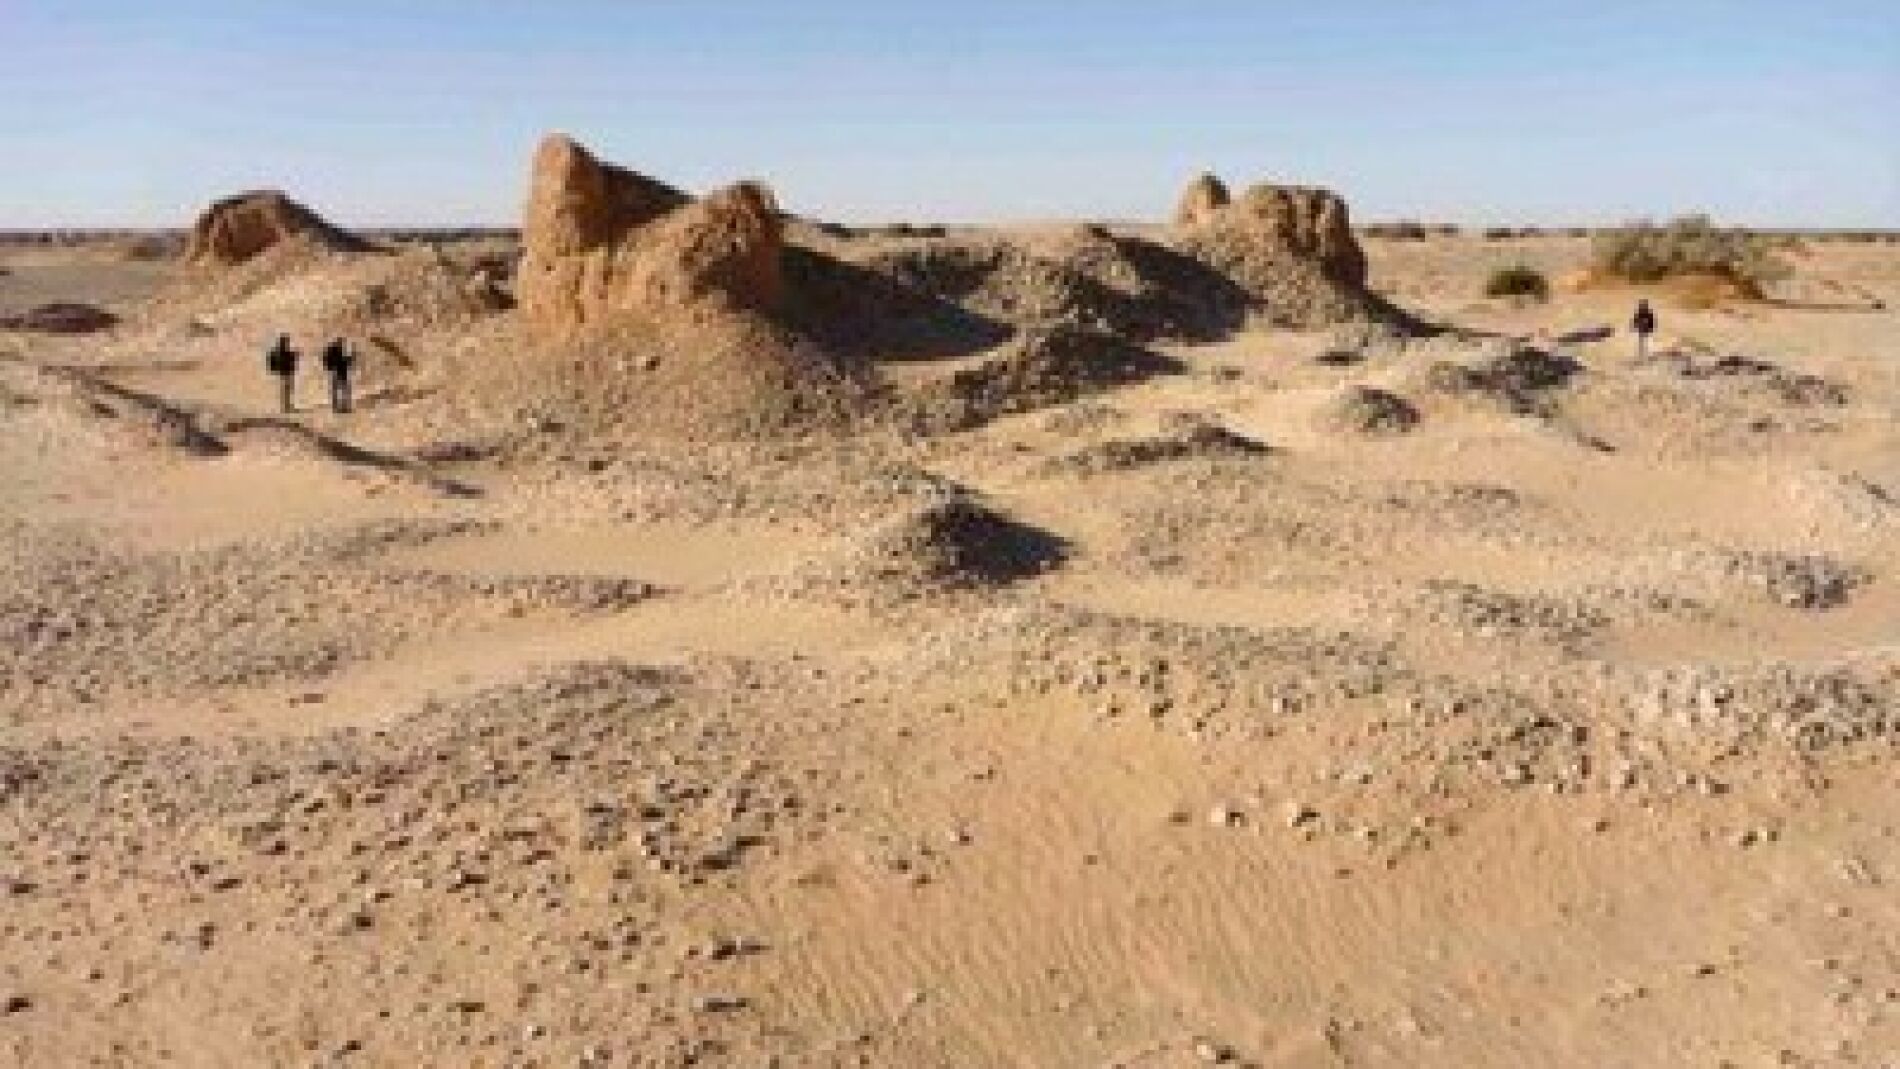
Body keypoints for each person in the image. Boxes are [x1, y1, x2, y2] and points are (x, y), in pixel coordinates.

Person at [320, 336, 356, 414]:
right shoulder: (336, 353)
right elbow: (346, 361)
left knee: (338, 390)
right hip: (340, 372)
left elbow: (327, 361)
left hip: (338, 372)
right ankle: (341, 405)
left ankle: (338, 406)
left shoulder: (333, 352)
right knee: (342, 390)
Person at [265, 334, 298, 413]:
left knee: (285, 390)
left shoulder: (278, 351)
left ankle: (286, 406)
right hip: (286, 372)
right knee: (286, 390)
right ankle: (286, 407)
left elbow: (271, 360)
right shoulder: (283, 352)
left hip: (284, 372)